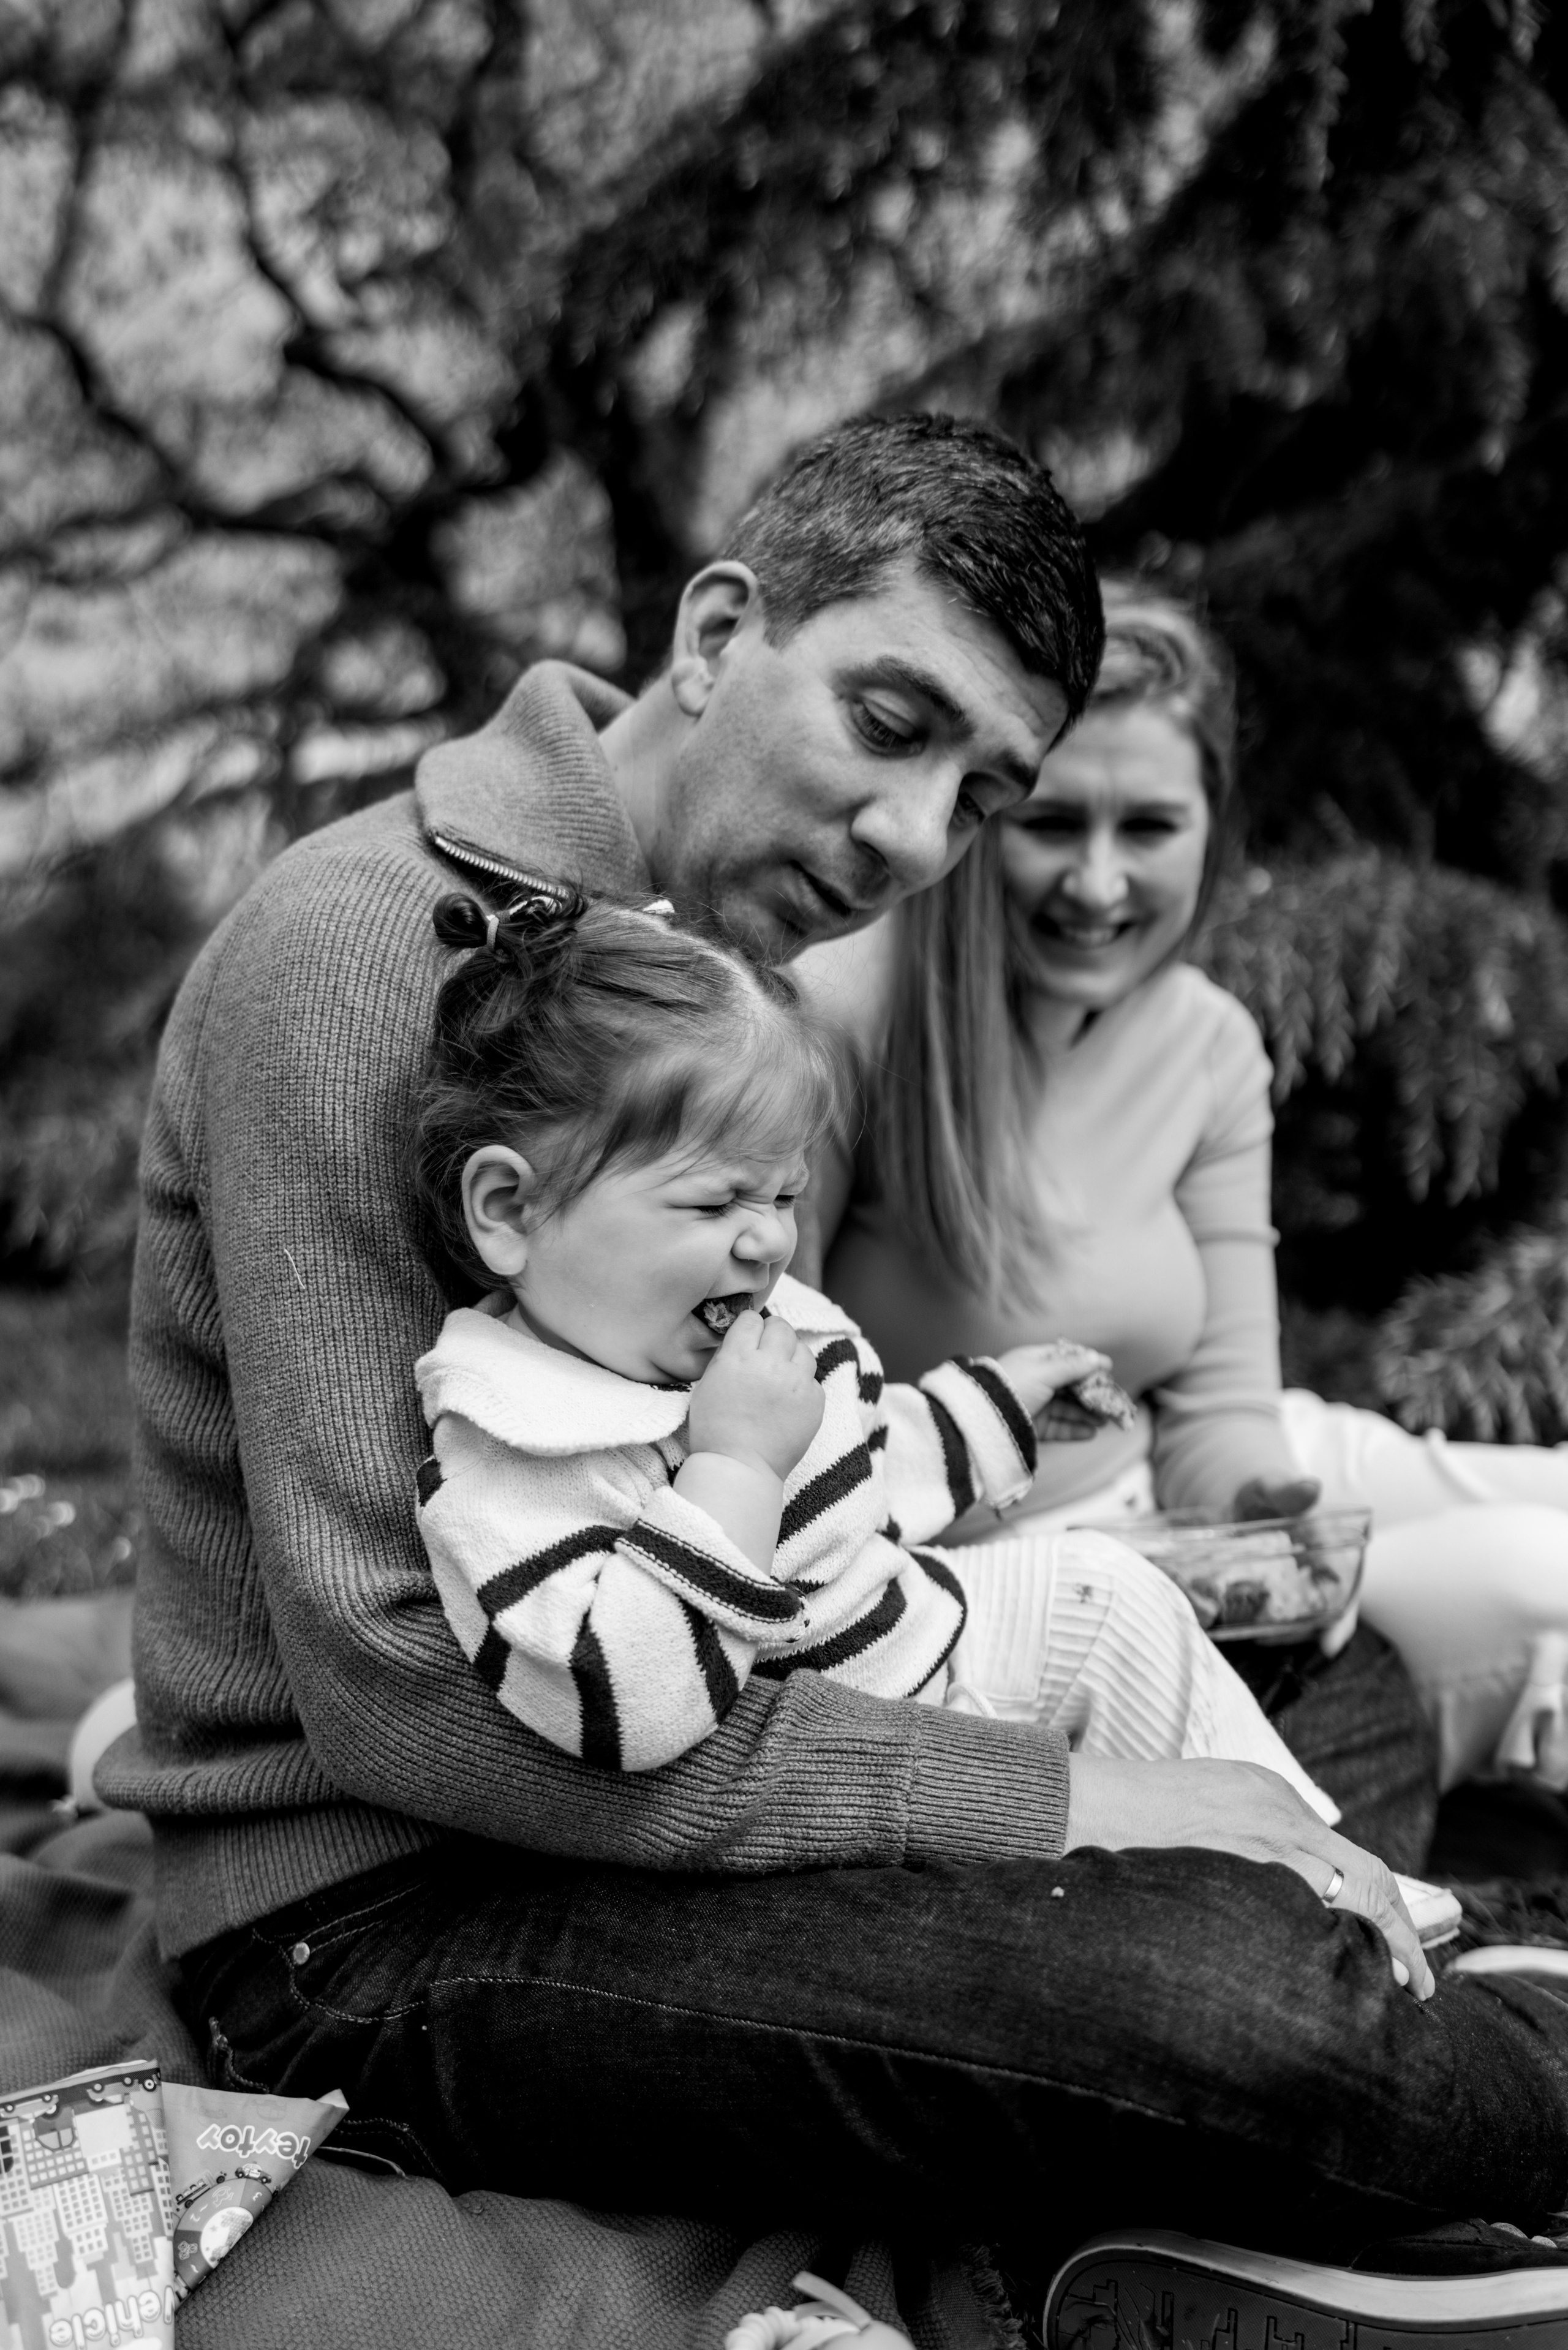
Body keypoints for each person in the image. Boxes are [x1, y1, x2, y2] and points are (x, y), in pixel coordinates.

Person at [97, 414, 1568, 2335]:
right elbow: (409, 1717)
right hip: (385, 1918)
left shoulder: (708, 980)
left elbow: (818, 1465)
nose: (913, 841)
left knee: (1277, 1772)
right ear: (716, 633)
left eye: (978, 792)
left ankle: (1430, 2048)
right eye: (892, 723)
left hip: (685, 1789)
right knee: (1235, 1996)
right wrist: (1053, 1802)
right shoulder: (366, 953)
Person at [811, 574, 1568, 1831]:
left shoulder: (1207, 1039)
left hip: (1193, 1494)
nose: (1096, 883)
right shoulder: (857, 1018)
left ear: (1210, 828)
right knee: (1536, 1578)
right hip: (1017, 1558)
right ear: (979, 809)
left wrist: (1263, 1508)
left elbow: (1220, 1408)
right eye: (1052, 823)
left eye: (1148, 826)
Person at [409, 885, 1348, 1826]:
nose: (768, 1243)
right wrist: (734, 1469)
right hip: (874, 1768)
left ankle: (1322, 1857)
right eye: (713, 1203)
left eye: (785, 1198)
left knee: (1113, 1594)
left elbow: (855, 1455)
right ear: (508, 1210)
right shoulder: (516, 1441)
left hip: (929, 1640)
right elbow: (627, 1704)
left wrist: (992, 1409)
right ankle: (1285, 1887)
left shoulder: (738, 1329)